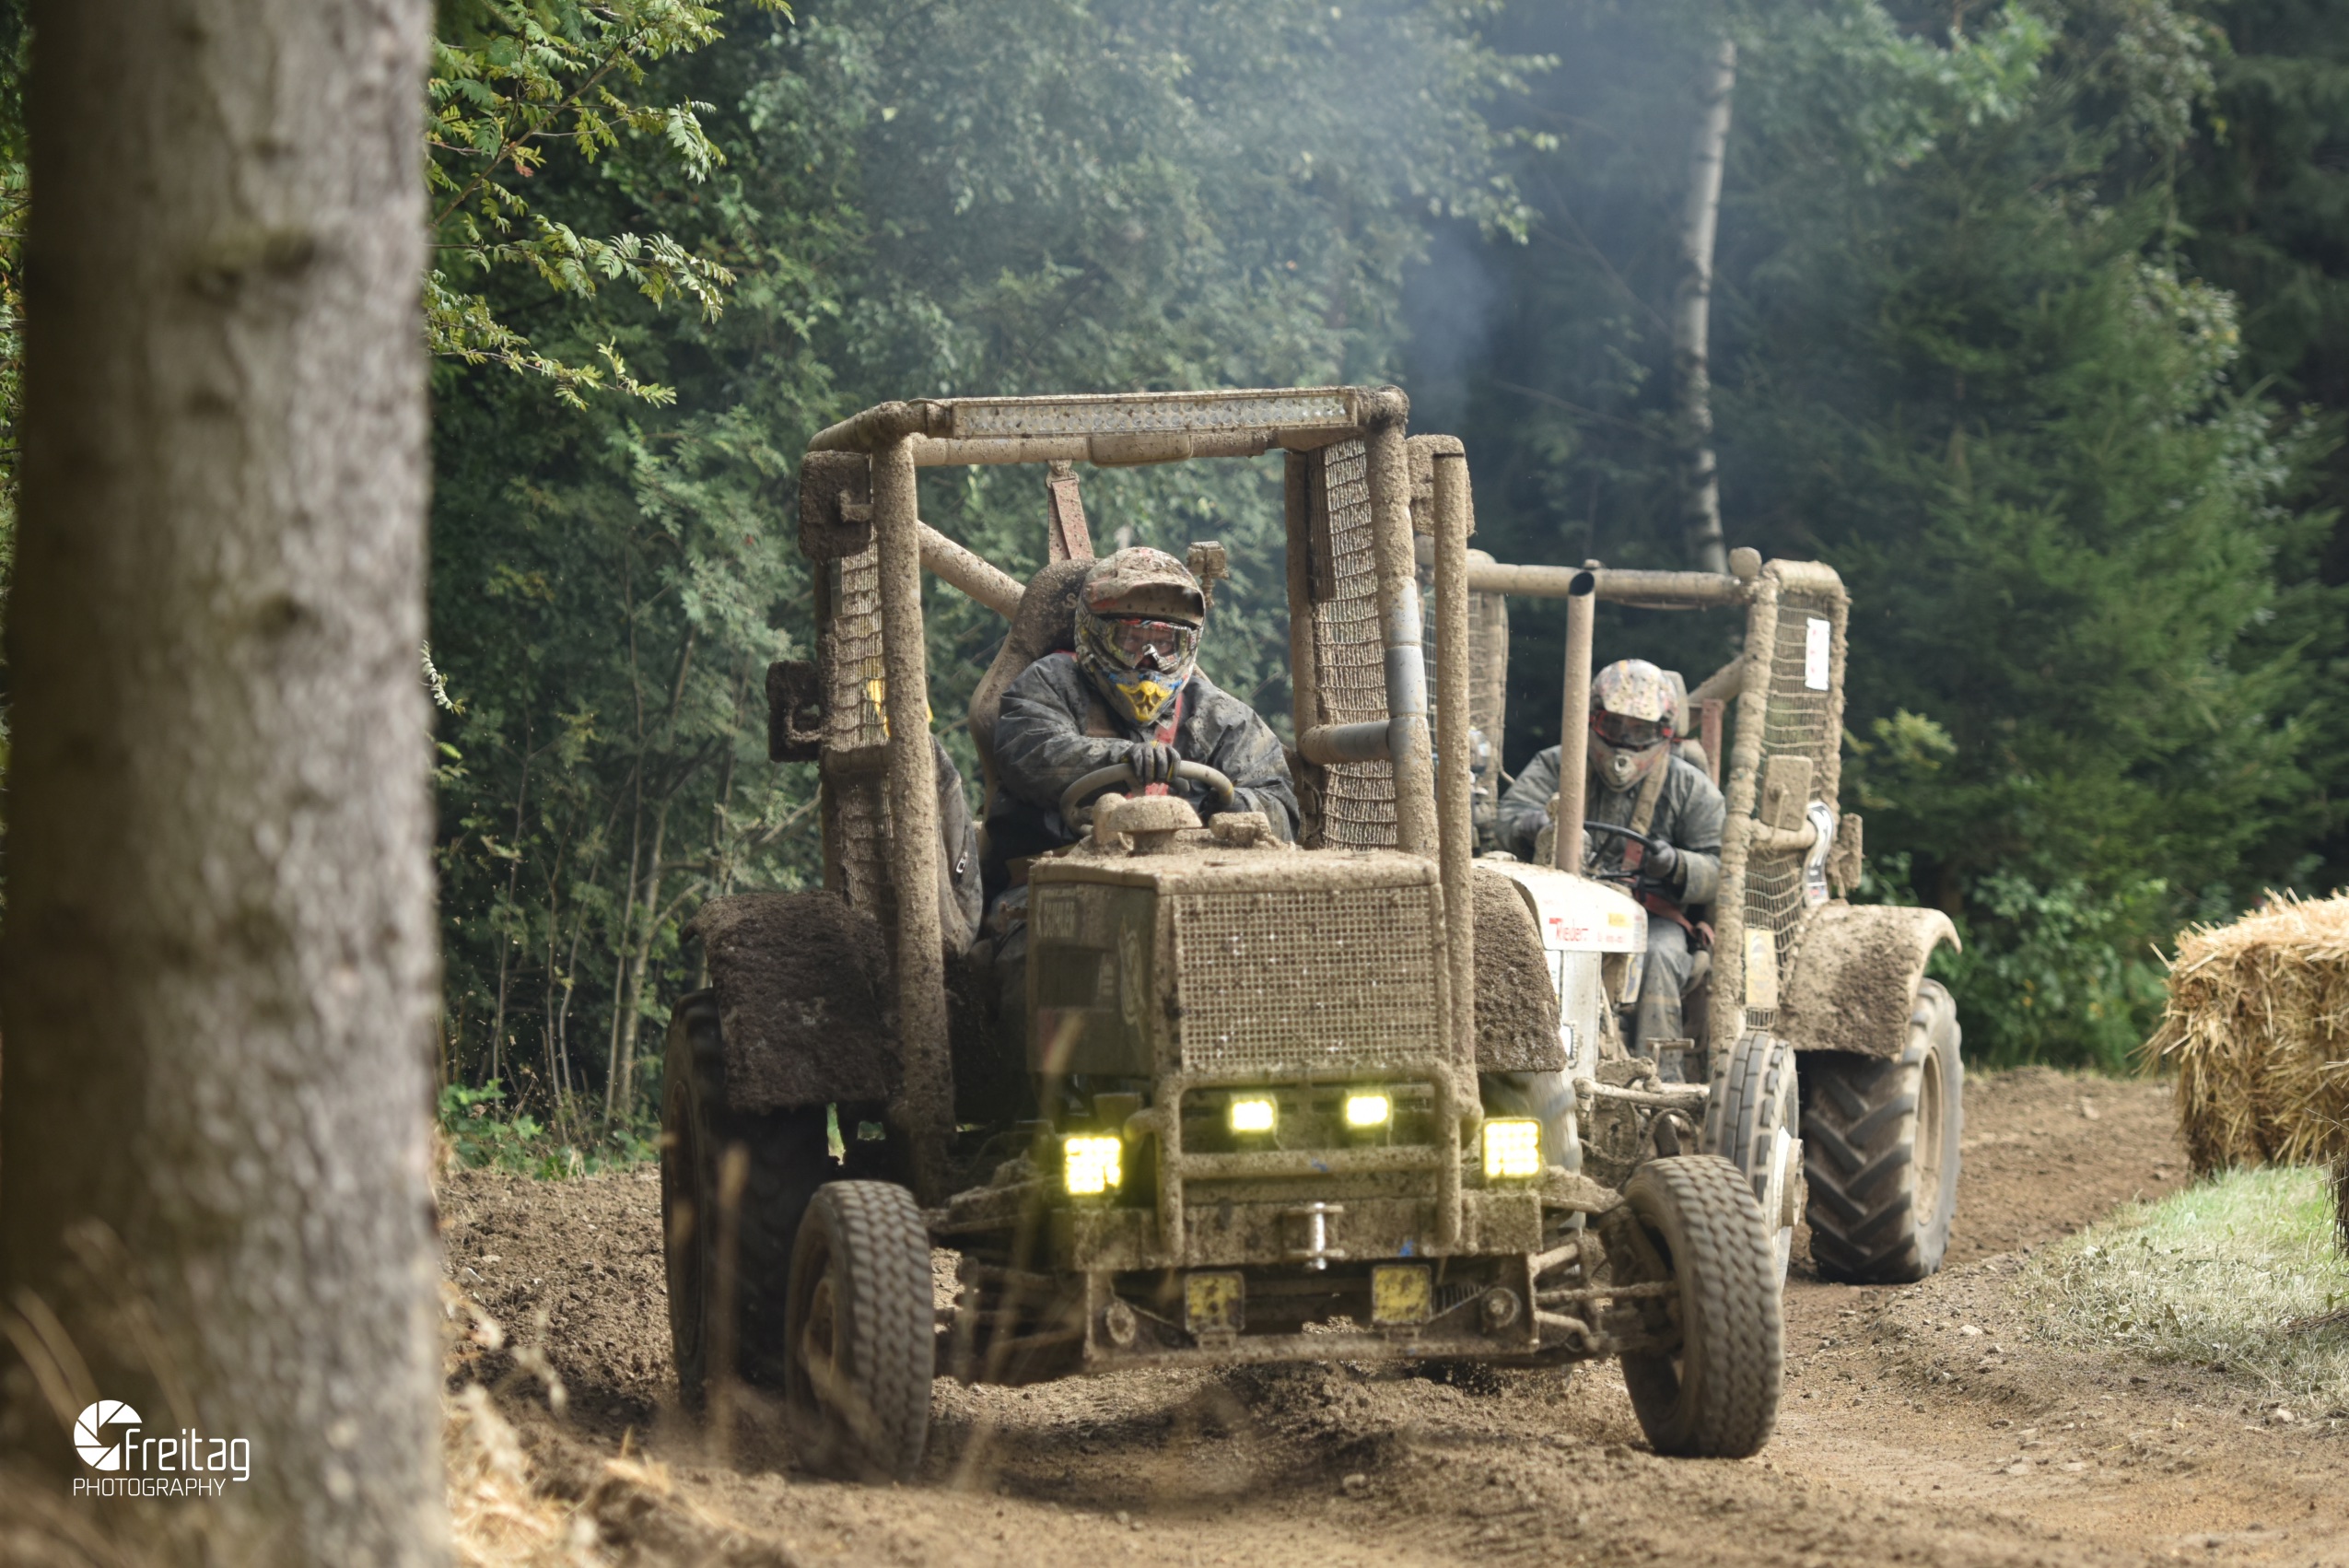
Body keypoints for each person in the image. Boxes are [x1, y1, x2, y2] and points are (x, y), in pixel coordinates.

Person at [981, 547, 1301, 1026]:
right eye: (1132, 639)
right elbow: (1032, 753)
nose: (1148, 659)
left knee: (1273, 965)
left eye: (1164, 643)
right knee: (1046, 978)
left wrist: (1204, 803)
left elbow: (1278, 804)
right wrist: (1125, 761)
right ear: (1094, 632)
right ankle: (1035, 1077)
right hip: (1055, 889)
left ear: (1187, 645)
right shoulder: (1049, 683)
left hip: (1195, 893)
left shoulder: (1221, 716)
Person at [1497, 659, 1724, 1059]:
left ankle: (1661, 1072)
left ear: (1664, 732)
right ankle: (1515, 1055)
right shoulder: (1556, 764)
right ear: (1593, 719)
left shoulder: (1689, 785)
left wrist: (1677, 864)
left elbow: (1724, 869)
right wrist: (1528, 825)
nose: (1624, 741)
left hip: (1652, 917)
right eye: (1614, 725)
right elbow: (1506, 818)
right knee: (1516, 947)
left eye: (1640, 731)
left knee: (1662, 955)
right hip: (1561, 909)